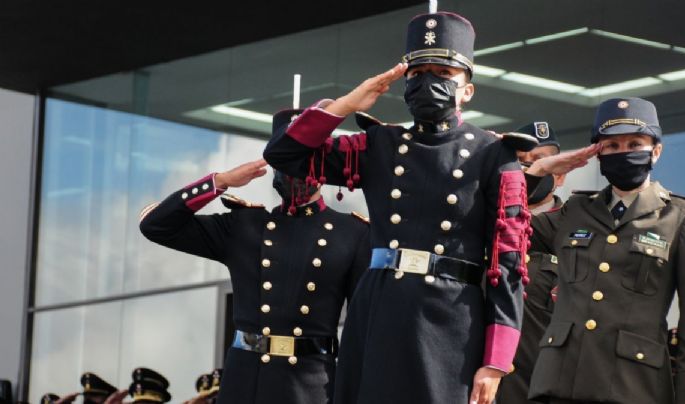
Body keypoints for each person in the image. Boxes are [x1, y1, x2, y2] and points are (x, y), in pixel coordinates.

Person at [263, 11, 530, 404]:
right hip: (380, 309)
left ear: (467, 89)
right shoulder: (378, 145)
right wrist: (350, 102)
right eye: (417, 72)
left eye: (443, 72)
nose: (428, 82)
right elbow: (285, 154)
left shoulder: (494, 154)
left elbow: (508, 265)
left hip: (450, 319)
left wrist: (497, 361)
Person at [139, 109, 371, 404]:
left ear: (322, 164)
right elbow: (156, 226)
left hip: (311, 385)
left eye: (305, 158)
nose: (295, 170)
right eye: (286, 160)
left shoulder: (352, 233)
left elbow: (361, 329)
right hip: (245, 380)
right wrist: (219, 181)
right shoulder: (244, 225)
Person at [524, 97, 685, 403]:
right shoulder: (575, 211)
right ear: (598, 154)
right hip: (559, 385)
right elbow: (503, 225)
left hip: (634, 388)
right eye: (611, 147)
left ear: (656, 151)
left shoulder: (682, 217)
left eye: (634, 143)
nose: (623, 153)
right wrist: (536, 173)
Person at [496, 122, 564, 404]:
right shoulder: (486, 224)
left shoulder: (578, 228)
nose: (530, 169)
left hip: (547, 387)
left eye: (541, 161)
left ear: (559, 174)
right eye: (522, 161)